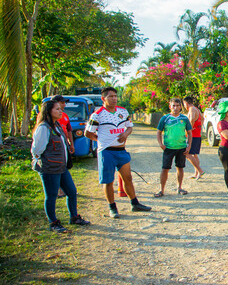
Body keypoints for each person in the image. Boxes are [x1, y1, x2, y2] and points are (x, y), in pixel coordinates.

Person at [84, 87, 151, 218]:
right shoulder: (97, 114)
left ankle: (134, 203)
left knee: (128, 178)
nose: (114, 99)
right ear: (103, 99)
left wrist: (125, 134)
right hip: (106, 152)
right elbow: (88, 133)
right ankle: (112, 207)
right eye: (111, 96)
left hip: (121, 150)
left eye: (115, 96)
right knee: (108, 181)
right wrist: (100, 140)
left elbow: (130, 127)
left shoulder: (122, 111)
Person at [31, 100, 90, 233]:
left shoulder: (56, 125)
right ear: (48, 111)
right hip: (50, 168)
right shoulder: (44, 128)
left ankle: (74, 217)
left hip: (61, 167)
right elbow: (36, 150)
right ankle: (53, 223)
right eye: (57, 109)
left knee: (71, 192)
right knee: (51, 196)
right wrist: (43, 161)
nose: (60, 111)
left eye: (60, 108)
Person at [155, 98, 192, 197]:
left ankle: (179, 187)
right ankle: (161, 190)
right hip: (168, 148)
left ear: (181, 107)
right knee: (165, 168)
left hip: (181, 147)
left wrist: (189, 146)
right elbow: (158, 132)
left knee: (180, 168)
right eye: (173, 105)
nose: (175, 108)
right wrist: (160, 144)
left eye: (177, 105)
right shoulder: (165, 118)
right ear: (170, 106)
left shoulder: (184, 119)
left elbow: (189, 133)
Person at [51, 95, 74, 198]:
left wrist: (71, 144)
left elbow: (69, 130)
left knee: (64, 167)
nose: (64, 105)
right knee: (56, 169)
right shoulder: (46, 118)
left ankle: (65, 189)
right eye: (62, 102)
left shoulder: (64, 116)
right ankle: (57, 191)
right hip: (53, 149)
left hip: (64, 146)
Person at [183, 96, 205, 179]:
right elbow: (202, 119)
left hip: (193, 136)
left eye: (184, 104)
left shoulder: (192, 109)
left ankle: (200, 170)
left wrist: (189, 130)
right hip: (197, 135)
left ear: (186, 103)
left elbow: (192, 119)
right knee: (194, 154)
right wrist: (199, 126)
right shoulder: (197, 109)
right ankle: (196, 173)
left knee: (187, 154)